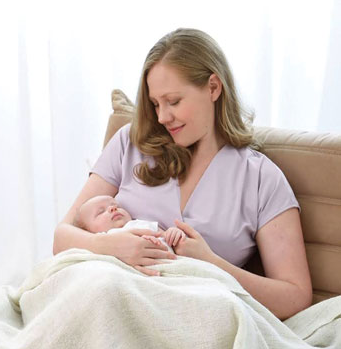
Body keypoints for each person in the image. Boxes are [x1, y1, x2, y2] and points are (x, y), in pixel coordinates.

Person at [53, 28, 313, 320]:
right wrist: (109, 246)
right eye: (155, 104)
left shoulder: (261, 178)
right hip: (111, 300)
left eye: (174, 101)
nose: (162, 117)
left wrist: (212, 264)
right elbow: (62, 237)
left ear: (213, 88)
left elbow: (295, 296)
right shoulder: (130, 143)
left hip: (192, 318)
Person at [75, 194, 186, 256]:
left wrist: (174, 233)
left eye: (116, 205)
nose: (113, 208)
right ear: (88, 232)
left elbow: (166, 236)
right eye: (101, 212)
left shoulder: (140, 224)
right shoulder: (104, 240)